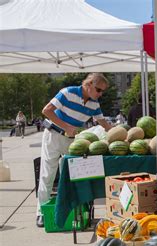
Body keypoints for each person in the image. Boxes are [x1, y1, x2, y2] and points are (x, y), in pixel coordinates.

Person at [36, 73, 112, 227]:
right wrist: (66, 127)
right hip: (53, 135)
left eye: (102, 91)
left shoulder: (94, 104)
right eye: (98, 90)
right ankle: (41, 213)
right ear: (88, 84)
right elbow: (47, 110)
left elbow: (103, 123)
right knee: (48, 174)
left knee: (70, 176)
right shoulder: (68, 92)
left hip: (72, 140)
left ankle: (68, 210)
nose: (100, 94)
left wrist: (118, 134)